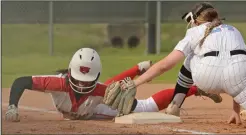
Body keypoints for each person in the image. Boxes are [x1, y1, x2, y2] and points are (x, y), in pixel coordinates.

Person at [109, 2, 246, 128]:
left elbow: (165, 65)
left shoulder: (195, 31)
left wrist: (135, 83)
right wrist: (236, 110)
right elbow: (233, 67)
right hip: (239, 73)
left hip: (206, 76)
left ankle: (174, 106)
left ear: (195, 20)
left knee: (190, 58)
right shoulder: (233, 29)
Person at [5, 48, 221, 122]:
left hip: (97, 111)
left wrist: (136, 73)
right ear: (69, 72)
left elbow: (111, 85)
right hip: (87, 108)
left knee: (144, 106)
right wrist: (13, 106)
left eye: (86, 80)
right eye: (78, 78)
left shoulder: (99, 91)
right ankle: (139, 67)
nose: (81, 84)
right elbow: (20, 81)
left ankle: (194, 88)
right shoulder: (56, 83)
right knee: (108, 89)